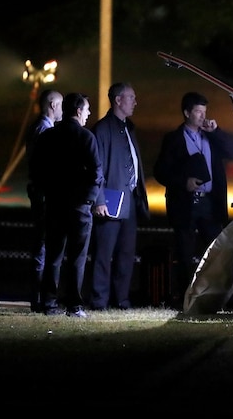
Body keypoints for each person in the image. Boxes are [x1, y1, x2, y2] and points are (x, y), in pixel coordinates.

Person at [153, 91, 233, 308]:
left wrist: (217, 131)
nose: (203, 116)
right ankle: (185, 299)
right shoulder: (173, 139)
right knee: (184, 254)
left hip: (210, 203)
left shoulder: (210, 136)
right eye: (198, 112)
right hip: (185, 203)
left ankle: (217, 297)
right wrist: (184, 182)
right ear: (186, 113)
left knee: (217, 252)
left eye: (204, 111)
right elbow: (161, 171)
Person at [30, 92, 102, 318]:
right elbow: (96, 172)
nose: (89, 113)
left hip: (54, 204)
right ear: (78, 111)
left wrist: (47, 192)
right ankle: (74, 305)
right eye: (87, 109)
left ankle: (49, 304)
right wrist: (89, 198)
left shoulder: (48, 137)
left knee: (53, 256)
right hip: (79, 206)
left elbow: (37, 169)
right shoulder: (86, 137)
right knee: (77, 258)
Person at [88, 82, 150, 310]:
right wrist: (99, 199)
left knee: (126, 253)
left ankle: (121, 298)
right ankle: (99, 300)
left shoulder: (128, 128)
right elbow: (96, 167)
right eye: (131, 97)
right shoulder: (102, 129)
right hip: (111, 201)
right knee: (103, 254)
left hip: (129, 201)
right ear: (118, 100)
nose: (135, 102)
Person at [24, 88, 63, 313]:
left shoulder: (39, 127)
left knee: (42, 244)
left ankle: (39, 297)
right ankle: (40, 298)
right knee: (44, 244)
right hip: (44, 193)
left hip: (39, 191)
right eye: (60, 105)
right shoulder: (44, 130)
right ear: (52, 105)